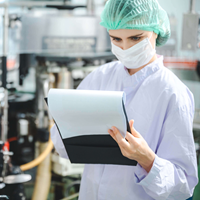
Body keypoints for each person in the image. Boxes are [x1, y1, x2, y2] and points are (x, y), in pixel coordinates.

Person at [50, 0, 198, 199]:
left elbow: (182, 187)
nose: (126, 47)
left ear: (155, 31)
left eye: (136, 38)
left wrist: (147, 159)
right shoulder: (99, 77)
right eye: (116, 39)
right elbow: (63, 147)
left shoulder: (172, 92)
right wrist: (67, 125)